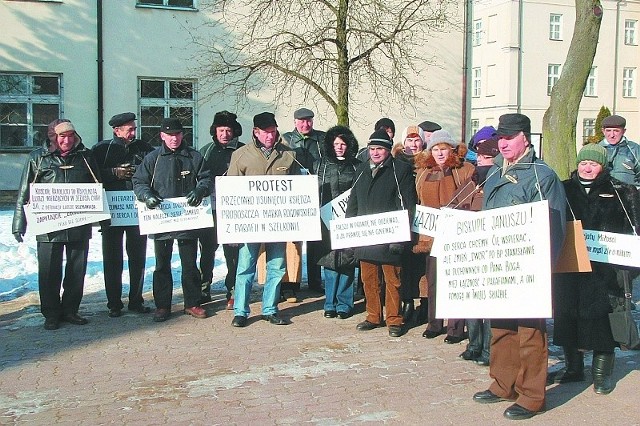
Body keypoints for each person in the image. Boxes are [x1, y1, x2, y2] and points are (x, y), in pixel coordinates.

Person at [472, 113, 567, 421]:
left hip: (528, 266)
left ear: (525, 138)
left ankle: (531, 395)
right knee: (500, 327)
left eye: (509, 138)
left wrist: (542, 269)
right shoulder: (496, 171)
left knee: (529, 332)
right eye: (500, 139)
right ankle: (503, 383)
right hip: (499, 265)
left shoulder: (541, 174)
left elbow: (554, 227)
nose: (503, 144)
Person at [551, 143, 640, 394]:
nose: (587, 168)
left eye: (593, 163)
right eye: (583, 163)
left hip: (605, 273)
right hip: (569, 267)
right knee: (567, 317)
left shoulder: (622, 192)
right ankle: (573, 368)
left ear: (602, 166)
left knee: (603, 323)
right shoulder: (563, 189)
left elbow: (635, 231)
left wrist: (626, 267)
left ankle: (602, 375)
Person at [12, 119, 101, 330]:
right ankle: (51, 313)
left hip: (78, 223)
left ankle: (70, 310)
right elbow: (24, 191)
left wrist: (104, 219)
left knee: (76, 270)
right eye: (62, 136)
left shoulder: (85, 157)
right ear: (54, 137)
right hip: (47, 225)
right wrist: (19, 223)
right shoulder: (38, 158)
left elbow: (98, 188)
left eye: (71, 136)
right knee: (49, 271)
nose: (67, 141)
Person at [132, 117, 212, 322]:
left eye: (177, 134)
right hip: (161, 220)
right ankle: (162, 305)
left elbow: (206, 178)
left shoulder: (194, 156)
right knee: (162, 265)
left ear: (182, 135)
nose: (174, 139)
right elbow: (139, 181)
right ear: (162, 136)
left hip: (188, 220)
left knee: (189, 264)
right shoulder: (152, 158)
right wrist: (146, 196)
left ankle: (193, 303)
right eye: (169, 135)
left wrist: (201, 190)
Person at [227, 112, 301, 327]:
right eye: (265, 132)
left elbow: (298, 189)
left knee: (277, 266)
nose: (270, 136)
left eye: (273, 131)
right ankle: (241, 311)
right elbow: (231, 191)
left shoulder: (289, 155)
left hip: (279, 223)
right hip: (250, 223)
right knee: (245, 267)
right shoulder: (241, 155)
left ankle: (270, 308)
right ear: (255, 132)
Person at [345, 129, 417, 337]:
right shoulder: (361, 170)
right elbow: (353, 201)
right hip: (365, 235)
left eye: (380, 149)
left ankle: (394, 319)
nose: (375, 153)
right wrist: (350, 231)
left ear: (388, 150)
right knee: (369, 280)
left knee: (393, 280)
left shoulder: (400, 170)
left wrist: (400, 237)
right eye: (372, 149)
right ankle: (373, 316)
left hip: (389, 235)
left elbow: (407, 206)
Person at [413, 129, 475, 343]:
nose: (440, 153)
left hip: (457, 235)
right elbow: (418, 200)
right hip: (431, 235)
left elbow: (472, 198)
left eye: (444, 149)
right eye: (436, 149)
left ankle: (456, 328)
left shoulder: (465, 169)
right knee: (433, 282)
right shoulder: (424, 171)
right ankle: (434, 323)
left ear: (452, 149)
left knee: (455, 282)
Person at [92, 112, 154, 318]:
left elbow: (153, 169)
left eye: (134, 128)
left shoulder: (143, 148)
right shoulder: (102, 149)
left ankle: (136, 299)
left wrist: (137, 171)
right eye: (129, 129)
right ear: (117, 130)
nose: (133, 132)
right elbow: (91, 174)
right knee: (112, 259)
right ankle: (114, 303)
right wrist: (113, 173)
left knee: (138, 258)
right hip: (112, 210)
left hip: (136, 210)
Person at [458, 126, 499, 365]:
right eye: (480, 157)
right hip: (470, 250)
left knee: (489, 304)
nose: (483, 162)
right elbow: (457, 205)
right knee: (472, 300)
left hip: (492, 250)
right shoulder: (471, 180)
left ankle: (488, 349)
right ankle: (474, 343)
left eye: (488, 158)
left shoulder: (499, 181)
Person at [198, 111, 244, 308]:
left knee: (233, 253)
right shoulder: (205, 151)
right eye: (221, 130)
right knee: (207, 251)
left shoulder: (243, 151)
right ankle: (204, 287)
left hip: (234, 211)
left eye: (228, 130)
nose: (224, 134)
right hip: (211, 210)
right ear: (214, 131)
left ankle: (232, 289)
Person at [314, 125, 361, 319]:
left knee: (347, 262)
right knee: (330, 262)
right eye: (336, 144)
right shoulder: (320, 166)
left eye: (343, 144)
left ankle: (344, 304)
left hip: (349, 221)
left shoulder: (357, 166)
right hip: (326, 222)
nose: (339, 147)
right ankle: (329, 304)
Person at [282, 107, 326, 294]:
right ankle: (293, 282)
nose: (305, 124)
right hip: (295, 198)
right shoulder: (286, 140)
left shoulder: (322, 139)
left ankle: (315, 281)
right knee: (294, 241)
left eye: (309, 120)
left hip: (319, 193)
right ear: (295, 122)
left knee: (316, 240)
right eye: (302, 121)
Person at [392, 125, 428, 324]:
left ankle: (424, 303)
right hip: (401, 220)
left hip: (423, 221)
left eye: (417, 140)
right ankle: (406, 302)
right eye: (409, 140)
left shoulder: (429, 164)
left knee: (421, 264)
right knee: (403, 263)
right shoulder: (395, 162)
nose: (413, 144)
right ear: (403, 142)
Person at [598, 114, 640, 188]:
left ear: (623, 131)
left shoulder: (634, 149)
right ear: (603, 131)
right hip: (602, 196)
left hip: (629, 196)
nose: (612, 135)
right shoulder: (597, 150)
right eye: (608, 131)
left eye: (616, 131)